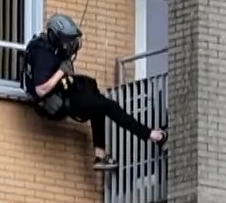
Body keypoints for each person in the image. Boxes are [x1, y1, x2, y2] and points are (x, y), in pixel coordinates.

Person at [21, 13, 165, 171]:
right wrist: (62, 71)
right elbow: (41, 89)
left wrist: (63, 65)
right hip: (54, 102)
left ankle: (100, 155)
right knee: (108, 105)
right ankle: (152, 135)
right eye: (65, 41)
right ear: (55, 36)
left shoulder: (45, 46)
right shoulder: (42, 55)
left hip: (60, 94)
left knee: (92, 89)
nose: (68, 45)